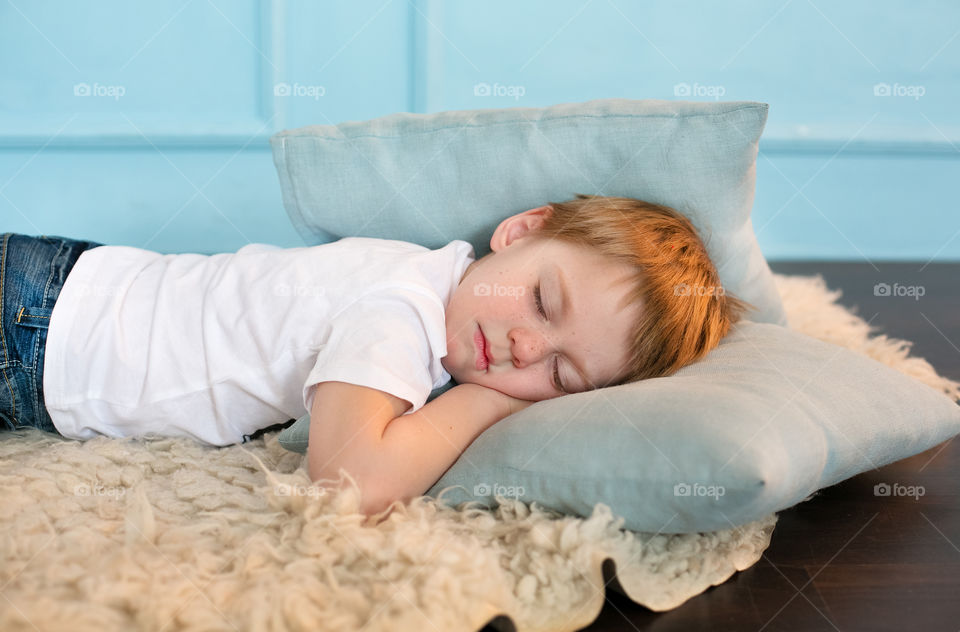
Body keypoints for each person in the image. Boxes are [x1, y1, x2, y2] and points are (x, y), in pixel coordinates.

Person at [0, 194, 750, 516]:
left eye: (559, 372)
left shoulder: (428, 284)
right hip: (37, 332)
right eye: (542, 303)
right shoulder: (402, 308)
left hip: (56, 298)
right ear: (521, 231)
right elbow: (351, 484)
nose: (526, 346)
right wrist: (487, 400)